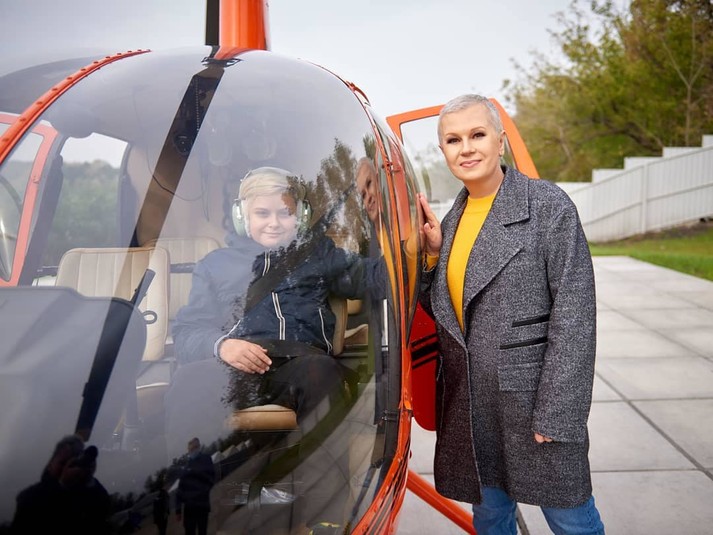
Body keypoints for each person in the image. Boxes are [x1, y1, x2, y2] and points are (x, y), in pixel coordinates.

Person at [417, 94, 605, 535]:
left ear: (500, 141)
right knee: (491, 517)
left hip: (533, 403)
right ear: (443, 151)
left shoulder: (547, 206)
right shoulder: (451, 222)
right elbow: (445, 315)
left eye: (477, 135)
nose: (466, 148)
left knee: (571, 520)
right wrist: (432, 258)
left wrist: (558, 412)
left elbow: (576, 317)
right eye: (453, 140)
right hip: (473, 406)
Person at [11, 435, 111, 535]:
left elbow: (102, 514)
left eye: (74, 464)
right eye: (63, 463)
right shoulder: (30, 497)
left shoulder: (91, 494)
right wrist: (62, 486)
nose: (68, 468)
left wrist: (89, 479)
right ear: (50, 464)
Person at [175, 438, 216, 535]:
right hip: (189, 508)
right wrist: (178, 510)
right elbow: (180, 489)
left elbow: (211, 478)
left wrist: (201, 492)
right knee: (189, 531)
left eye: (194, 448)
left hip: (202, 505)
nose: (192, 451)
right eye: (190, 450)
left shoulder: (206, 459)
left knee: (202, 531)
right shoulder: (186, 467)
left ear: (198, 447)